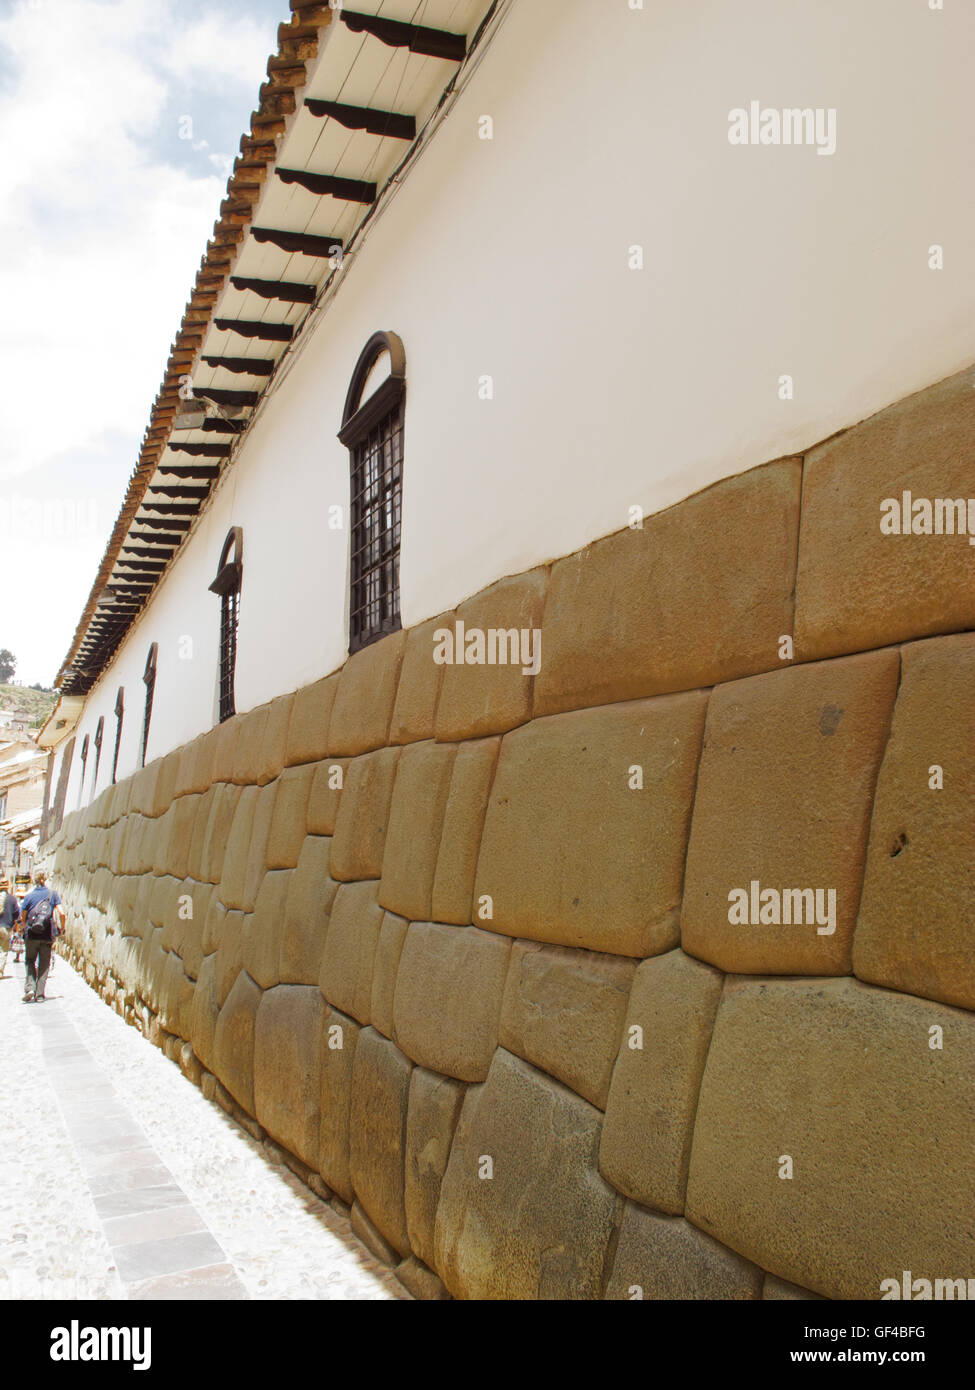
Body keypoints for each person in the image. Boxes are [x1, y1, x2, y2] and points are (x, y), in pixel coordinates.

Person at [18, 869, 64, 1003]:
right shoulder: (52, 894)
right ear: (45, 879)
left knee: (30, 960)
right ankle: (40, 995)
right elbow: (62, 913)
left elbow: (23, 915)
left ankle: (30, 988)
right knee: (44, 963)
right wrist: (63, 928)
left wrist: (23, 927)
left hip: (31, 934)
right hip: (46, 935)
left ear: (34, 880)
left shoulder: (29, 896)